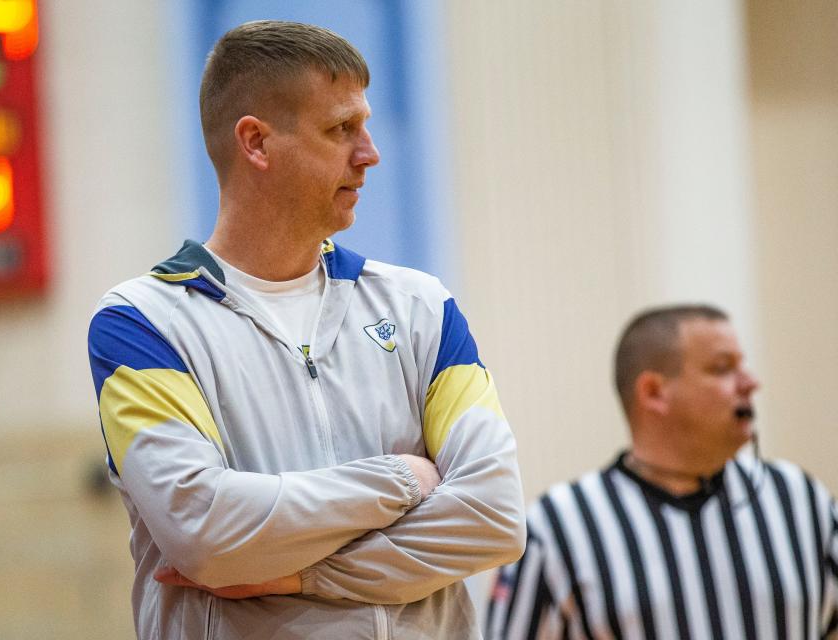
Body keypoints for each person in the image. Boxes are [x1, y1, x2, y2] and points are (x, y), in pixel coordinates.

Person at [87, 20, 525, 640]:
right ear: (257, 143)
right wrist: (404, 480)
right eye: (340, 129)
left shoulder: (422, 306)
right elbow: (205, 535)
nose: (370, 153)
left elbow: (494, 515)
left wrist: (299, 578)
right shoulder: (139, 323)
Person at [486, 304, 838, 639]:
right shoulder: (558, 525)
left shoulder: (801, 499)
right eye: (722, 368)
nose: (750, 382)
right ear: (654, 392)